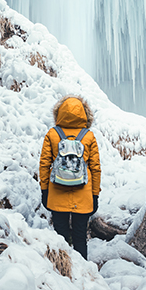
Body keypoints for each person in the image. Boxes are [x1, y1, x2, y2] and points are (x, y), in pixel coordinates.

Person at [39, 95, 101, 259]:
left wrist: (44, 191)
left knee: (61, 237)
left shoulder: (52, 134)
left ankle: (63, 273)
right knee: (80, 238)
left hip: (57, 194)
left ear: (59, 113)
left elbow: (44, 165)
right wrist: (95, 194)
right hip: (83, 196)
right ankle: (84, 276)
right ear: (84, 114)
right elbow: (95, 169)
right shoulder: (88, 136)